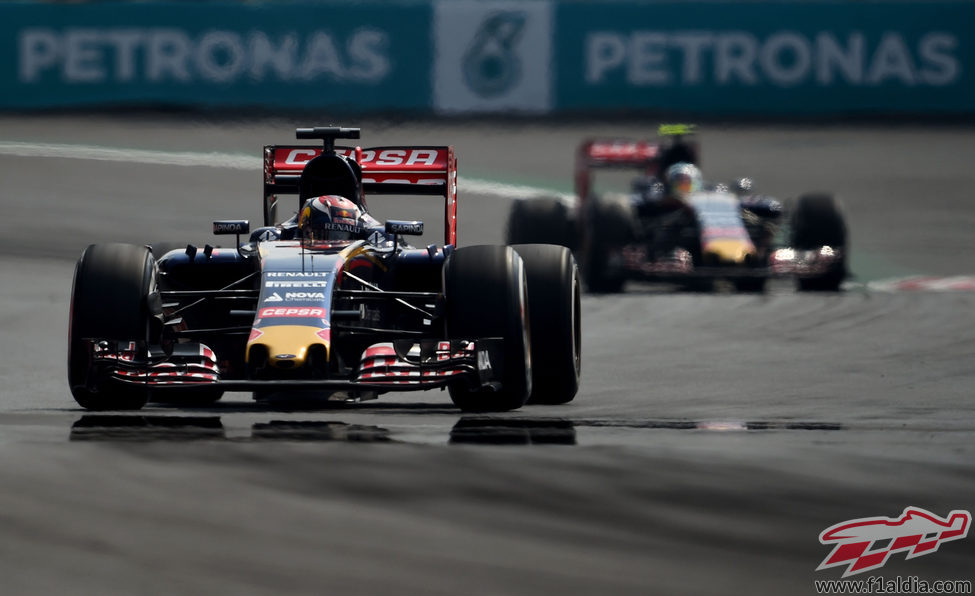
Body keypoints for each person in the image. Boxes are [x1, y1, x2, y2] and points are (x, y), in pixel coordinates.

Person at [297, 195, 376, 243]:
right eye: (328, 235)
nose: (339, 243)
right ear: (307, 230)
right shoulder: (287, 234)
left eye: (347, 236)